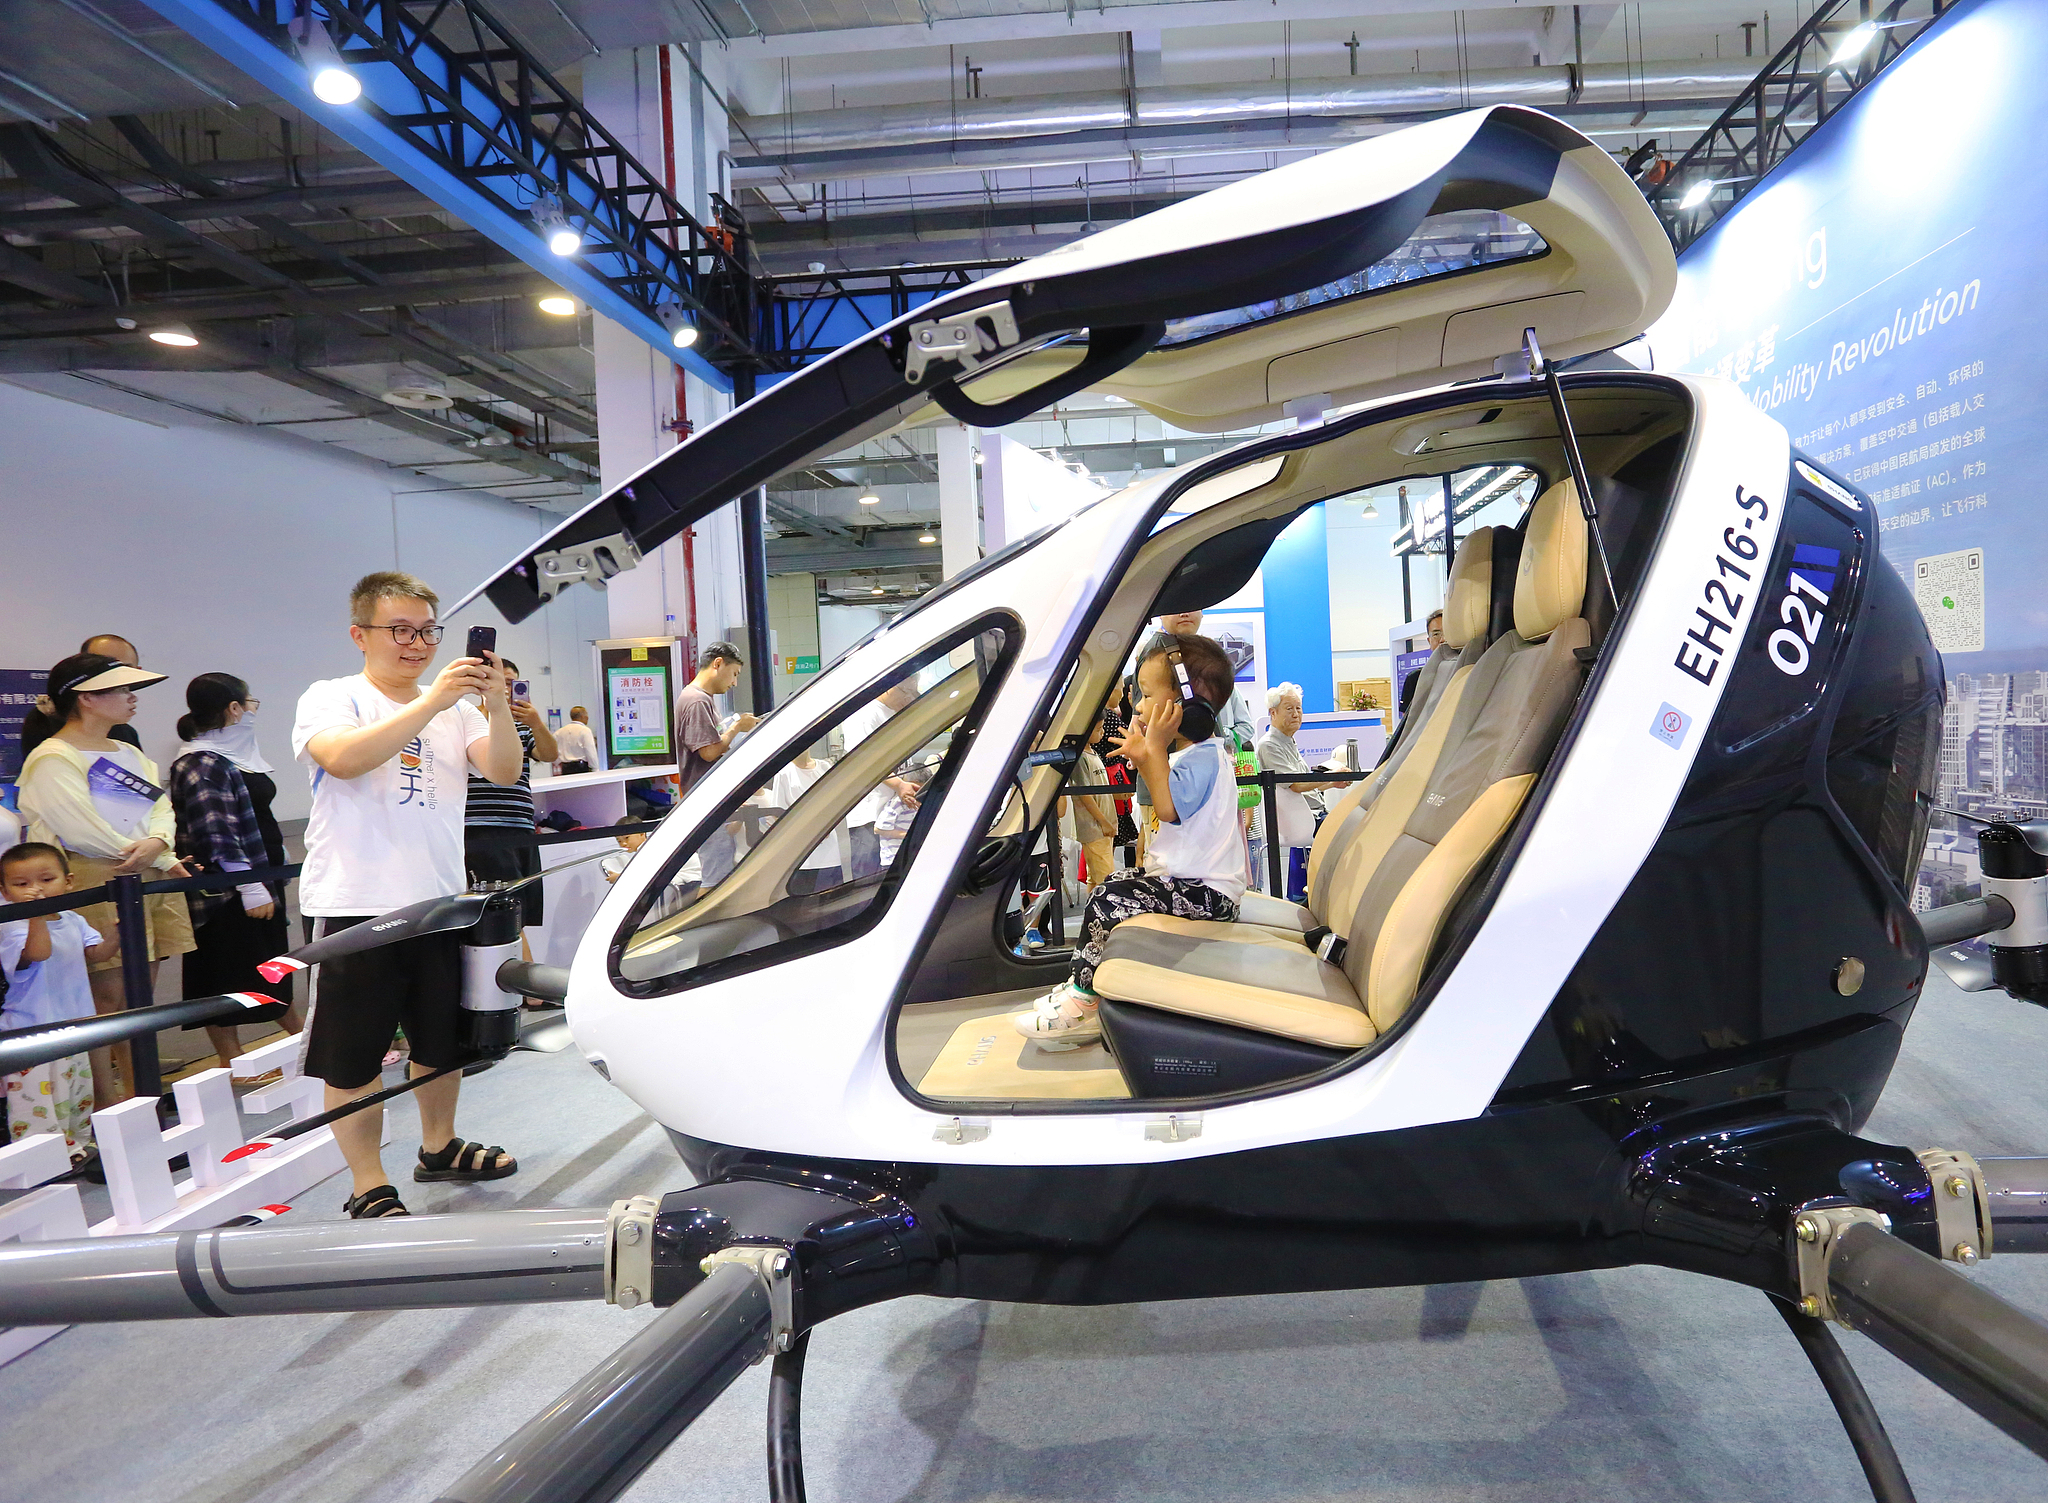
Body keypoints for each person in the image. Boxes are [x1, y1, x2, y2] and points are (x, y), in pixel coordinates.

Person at [291, 571, 524, 1219]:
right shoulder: (332, 696)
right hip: (358, 903)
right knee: (354, 1049)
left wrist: (496, 701)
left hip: (439, 901)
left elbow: (504, 769)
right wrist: (430, 703)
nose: (417, 643)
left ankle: (438, 1145)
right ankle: (367, 1180)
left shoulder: (461, 707)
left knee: (440, 1038)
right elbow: (342, 759)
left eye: (426, 630)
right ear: (359, 634)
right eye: (400, 629)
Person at [1013, 634, 1245, 1049]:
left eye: (1148, 693)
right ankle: (1084, 985)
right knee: (1110, 885)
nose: (1137, 704)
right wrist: (1148, 755)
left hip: (1209, 895)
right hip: (1192, 884)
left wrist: (1151, 751)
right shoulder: (1193, 756)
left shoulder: (1206, 757)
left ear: (1187, 707)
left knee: (1106, 901)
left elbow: (1170, 809)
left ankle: (1084, 1003)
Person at [17, 653, 196, 1107]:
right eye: (120, 690)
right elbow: (80, 828)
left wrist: (158, 844)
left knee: (142, 996)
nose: (131, 699)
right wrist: (144, 851)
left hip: (146, 873)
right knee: (106, 1001)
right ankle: (108, 1105)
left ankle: (145, 1095)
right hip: (100, 875)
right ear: (87, 698)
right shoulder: (53, 757)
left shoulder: (129, 752)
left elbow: (159, 809)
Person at [169, 673, 297, 1074]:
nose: (253, 711)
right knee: (231, 971)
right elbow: (216, 832)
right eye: (250, 703)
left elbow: (256, 814)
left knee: (265, 967)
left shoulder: (234, 757)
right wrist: (249, 885)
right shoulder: (202, 762)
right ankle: (239, 1059)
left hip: (261, 875)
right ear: (234, 709)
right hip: (228, 891)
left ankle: (292, 1045)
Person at [1, 843, 112, 1165]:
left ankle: (75, 1148)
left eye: (46, 879)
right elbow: (37, 953)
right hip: (29, 1030)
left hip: (75, 1024)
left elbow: (96, 954)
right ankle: (41, 1160)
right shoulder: (11, 925)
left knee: (76, 1093)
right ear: (5, 892)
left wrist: (118, 933)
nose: (35, 889)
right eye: (21, 884)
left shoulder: (73, 919)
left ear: (69, 881)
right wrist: (35, 915)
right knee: (35, 1101)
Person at [464, 657, 559, 1007]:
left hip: (519, 826)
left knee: (517, 910)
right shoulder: (467, 720)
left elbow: (549, 753)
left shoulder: (520, 724)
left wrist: (536, 722)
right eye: (499, 680)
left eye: (513, 682)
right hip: (483, 830)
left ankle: (525, 989)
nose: (506, 687)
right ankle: (527, 991)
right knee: (503, 911)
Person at [841, 678, 922, 877]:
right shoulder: (865, 714)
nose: (908, 697)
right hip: (869, 817)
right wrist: (898, 784)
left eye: (913, 692)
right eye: (905, 691)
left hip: (892, 814)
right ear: (889, 685)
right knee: (869, 882)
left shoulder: (896, 715)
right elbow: (864, 761)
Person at [1256, 683, 1328, 903]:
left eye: (1299, 708)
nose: (1296, 714)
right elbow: (1295, 784)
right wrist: (1329, 780)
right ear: (1273, 712)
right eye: (1289, 709)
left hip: (1309, 812)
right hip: (1298, 820)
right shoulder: (1269, 745)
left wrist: (1333, 782)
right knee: (1349, 829)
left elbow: (1305, 784)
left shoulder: (1288, 742)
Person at [20, 634, 146, 758]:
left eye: (124, 669)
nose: (116, 675)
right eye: (102, 667)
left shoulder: (127, 737)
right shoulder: (50, 743)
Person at [674, 644, 759, 799]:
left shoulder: (701, 698)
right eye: (734, 674)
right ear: (718, 663)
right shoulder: (697, 701)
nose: (734, 683)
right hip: (705, 797)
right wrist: (737, 727)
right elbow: (709, 753)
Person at [1397, 609, 1446, 718]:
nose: (1442, 639)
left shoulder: (1468, 673)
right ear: (1429, 641)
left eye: (1448, 632)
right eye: (1436, 634)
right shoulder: (1415, 678)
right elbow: (1408, 722)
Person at [555, 705, 600, 775]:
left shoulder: (559, 732)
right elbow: (590, 751)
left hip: (565, 768)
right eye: (586, 715)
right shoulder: (585, 730)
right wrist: (595, 768)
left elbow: (553, 749)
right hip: (581, 768)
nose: (588, 718)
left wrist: (557, 762)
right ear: (582, 716)